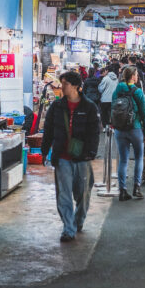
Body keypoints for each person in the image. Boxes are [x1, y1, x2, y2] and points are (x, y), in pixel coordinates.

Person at [41, 71, 102, 242]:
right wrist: (45, 150)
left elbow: (94, 133)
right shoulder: (57, 107)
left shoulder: (89, 107)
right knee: (64, 195)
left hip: (82, 158)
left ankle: (78, 220)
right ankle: (68, 229)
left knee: (83, 194)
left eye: (65, 84)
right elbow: (48, 130)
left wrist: (91, 152)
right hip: (62, 157)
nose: (62, 87)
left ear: (75, 86)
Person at [112, 66, 145, 201]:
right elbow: (144, 114)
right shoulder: (138, 92)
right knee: (139, 157)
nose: (138, 76)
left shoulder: (118, 89)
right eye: (136, 75)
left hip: (120, 129)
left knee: (123, 159)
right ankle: (137, 187)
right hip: (135, 128)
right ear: (132, 76)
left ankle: (122, 190)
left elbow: (113, 107)